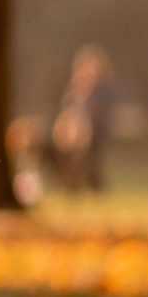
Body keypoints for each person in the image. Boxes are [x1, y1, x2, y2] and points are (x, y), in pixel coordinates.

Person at [52, 45, 114, 194]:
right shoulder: (74, 88)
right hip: (72, 132)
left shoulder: (103, 90)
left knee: (83, 148)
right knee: (66, 146)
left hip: (94, 131)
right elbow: (66, 111)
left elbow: (103, 114)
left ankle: (85, 182)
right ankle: (69, 181)